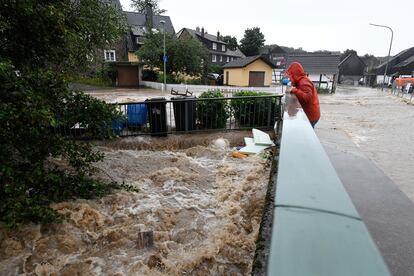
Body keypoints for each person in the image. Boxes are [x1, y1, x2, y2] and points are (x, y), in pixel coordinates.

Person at [285, 62, 320, 128]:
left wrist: (294, 90)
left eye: (291, 75)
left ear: (295, 74)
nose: (289, 77)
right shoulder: (301, 80)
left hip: (311, 116)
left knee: (307, 135)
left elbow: (307, 98)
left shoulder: (303, 82)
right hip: (312, 114)